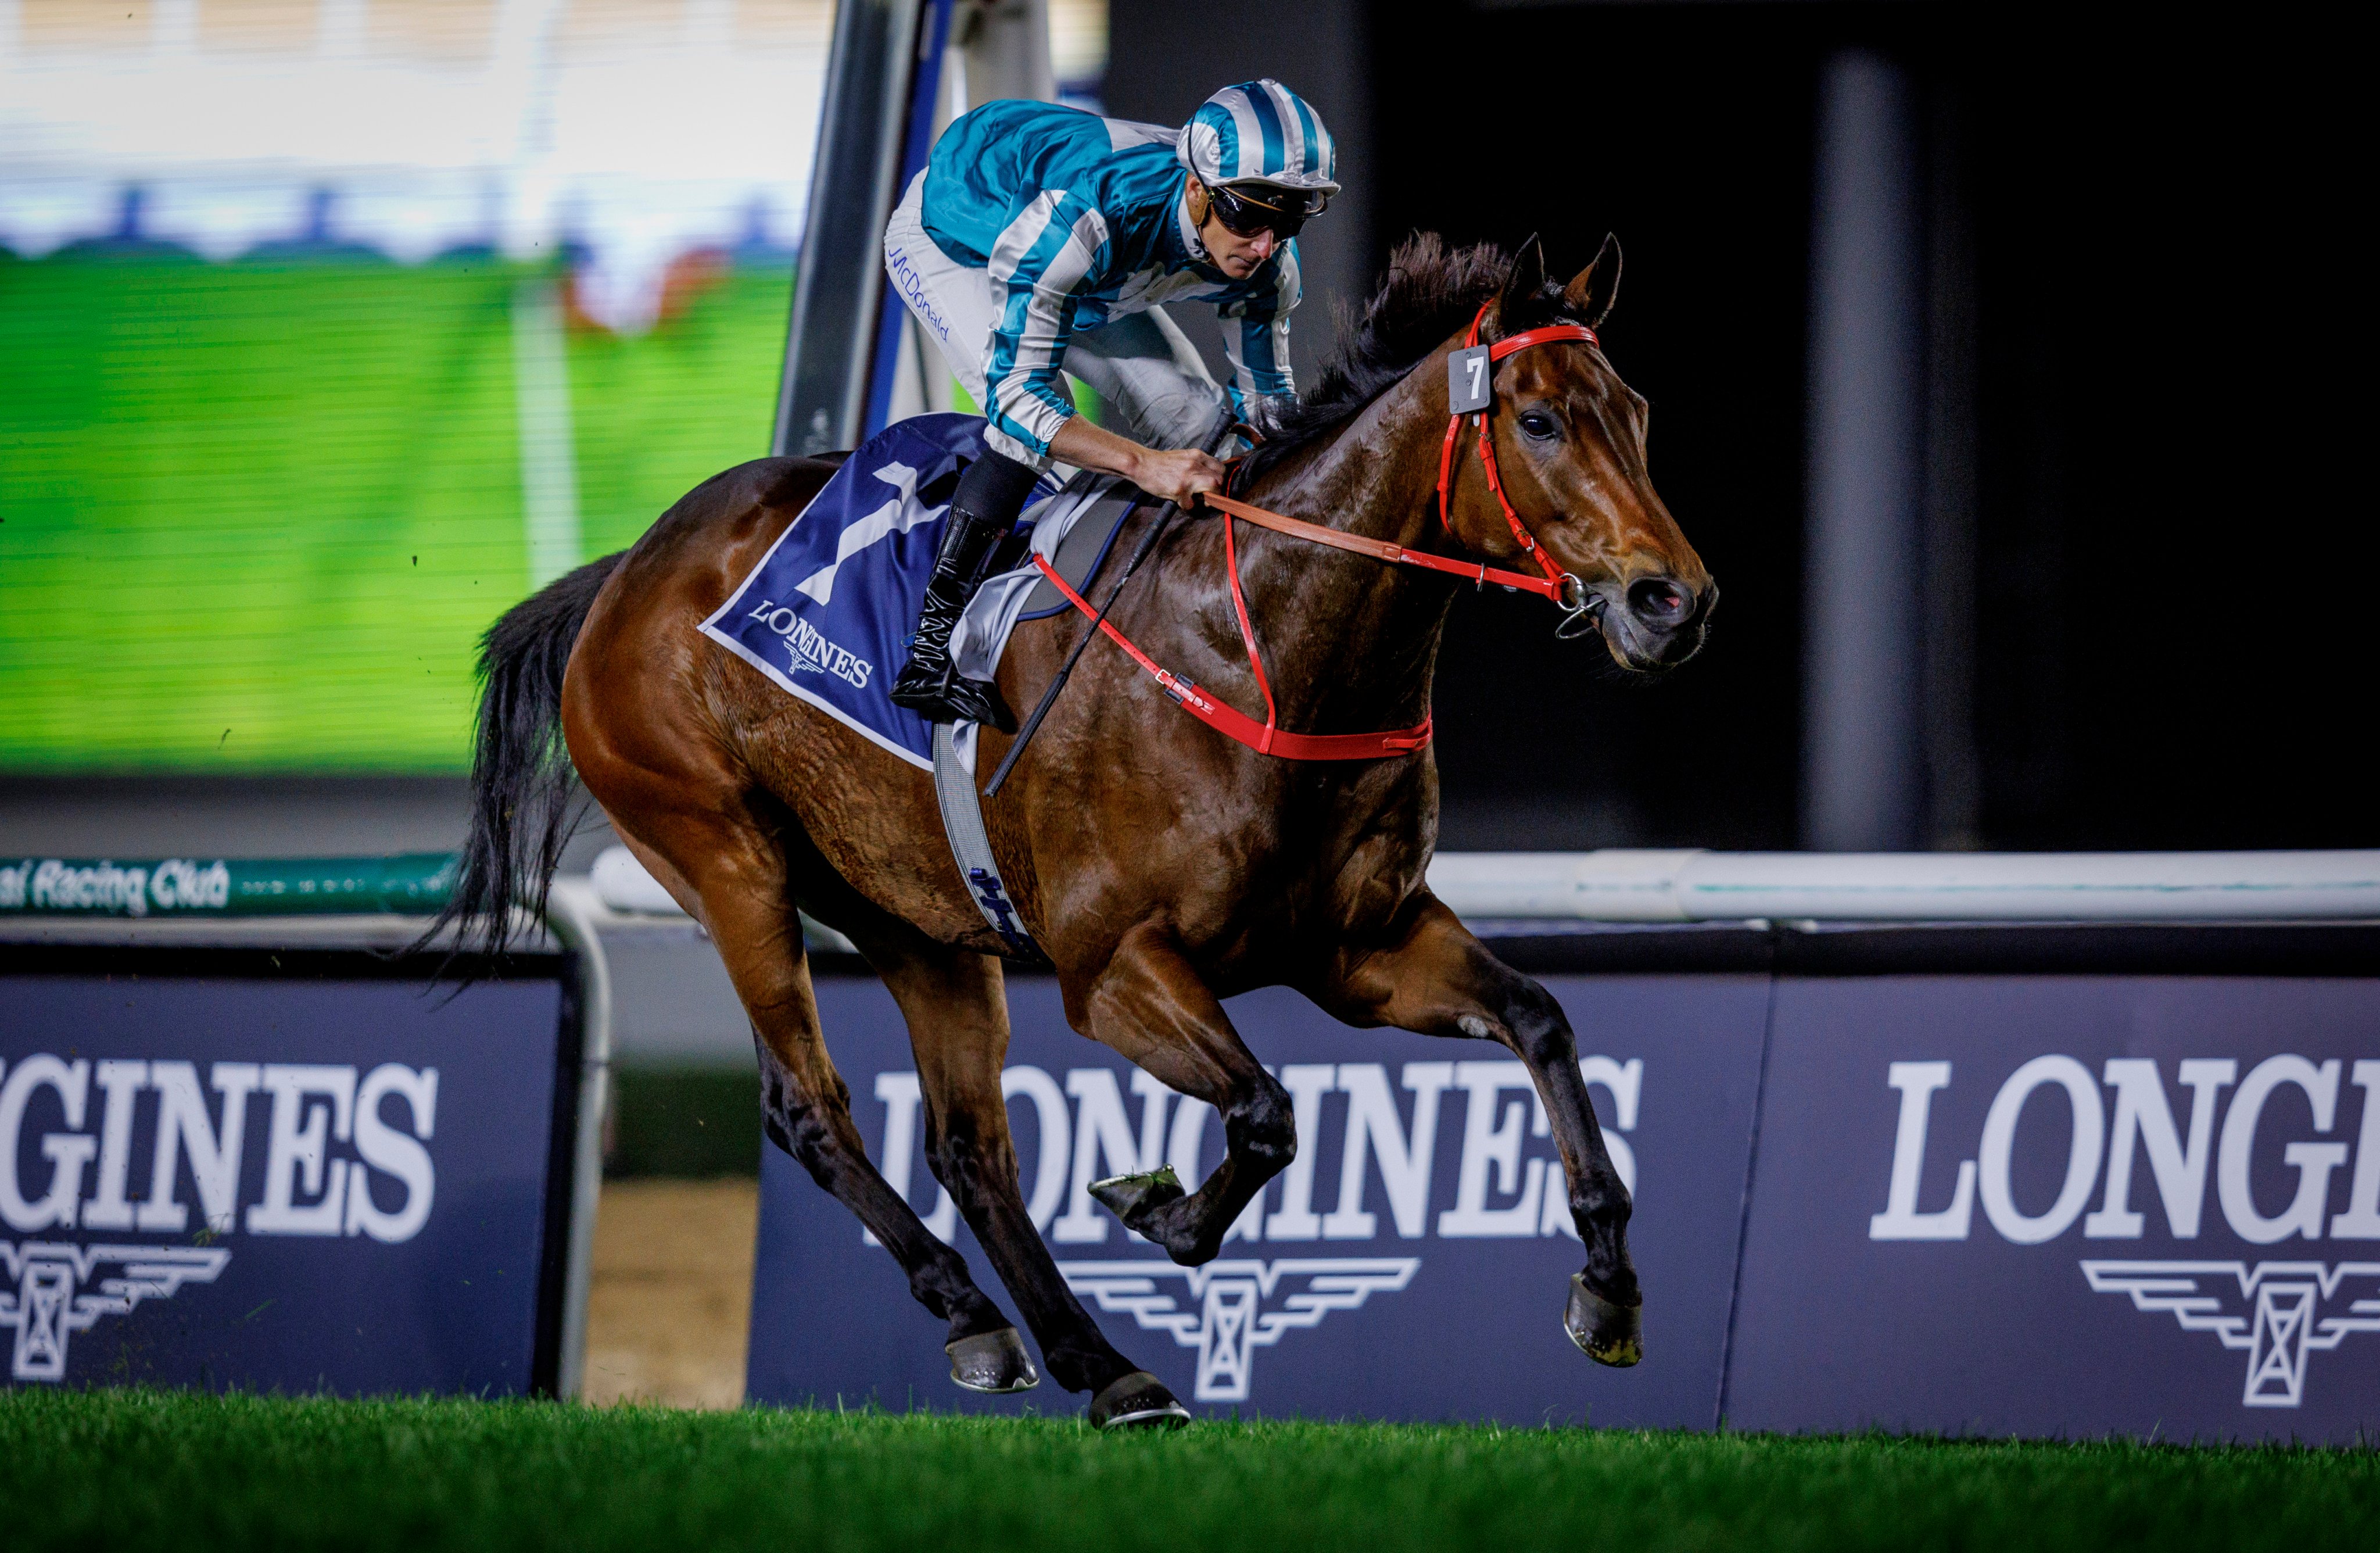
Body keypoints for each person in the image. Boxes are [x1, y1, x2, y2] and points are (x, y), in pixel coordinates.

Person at [880, 78, 1338, 729]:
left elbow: (1271, 418)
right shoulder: (1092, 214)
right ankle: (930, 650)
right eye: (1250, 215)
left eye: (1289, 219)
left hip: (1092, 274)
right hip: (962, 245)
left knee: (1199, 420)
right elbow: (1017, 402)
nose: (1265, 244)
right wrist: (1145, 464)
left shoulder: (1267, 262)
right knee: (1038, 430)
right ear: (1197, 190)